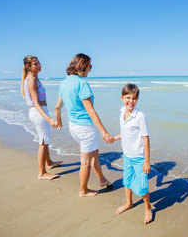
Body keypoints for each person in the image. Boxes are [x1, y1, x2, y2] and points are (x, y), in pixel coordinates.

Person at [55, 53, 113, 197]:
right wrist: (104, 132)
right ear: (83, 66)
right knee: (86, 162)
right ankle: (83, 190)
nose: (90, 69)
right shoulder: (82, 84)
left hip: (73, 126)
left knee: (94, 155)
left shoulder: (65, 82)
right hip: (85, 128)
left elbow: (57, 107)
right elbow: (91, 112)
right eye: (90, 66)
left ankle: (102, 180)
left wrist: (58, 120)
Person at [113, 83, 153, 224]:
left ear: (137, 99)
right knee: (127, 181)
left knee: (142, 187)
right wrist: (114, 138)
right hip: (127, 156)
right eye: (128, 97)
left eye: (134, 98)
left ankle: (148, 208)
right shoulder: (122, 113)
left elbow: (146, 139)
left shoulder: (140, 116)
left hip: (139, 159)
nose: (131, 101)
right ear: (122, 98)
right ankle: (129, 203)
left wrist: (147, 161)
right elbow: (125, 133)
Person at [21, 55, 62, 180]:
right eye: (35, 64)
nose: (39, 65)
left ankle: (49, 163)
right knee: (43, 142)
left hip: (39, 112)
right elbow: (36, 103)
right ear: (28, 67)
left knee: (44, 139)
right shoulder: (31, 80)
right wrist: (49, 119)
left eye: (39, 63)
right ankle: (42, 172)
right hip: (38, 112)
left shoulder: (32, 78)